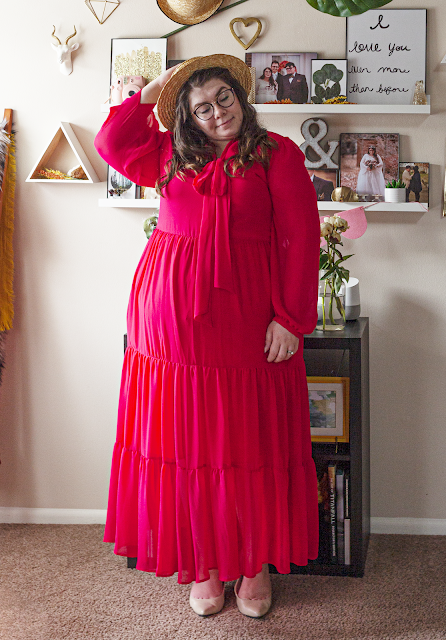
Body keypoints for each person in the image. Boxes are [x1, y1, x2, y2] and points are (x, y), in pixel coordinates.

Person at [94, 54, 320, 619]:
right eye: (201, 106)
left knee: (248, 446)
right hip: (170, 327)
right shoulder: (166, 155)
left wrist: (290, 319)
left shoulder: (277, 155)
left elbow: (301, 237)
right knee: (188, 447)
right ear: (187, 118)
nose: (218, 112)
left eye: (225, 98)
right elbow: (111, 142)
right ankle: (207, 566)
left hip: (246, 324)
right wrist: (149, 91)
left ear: (241, 99)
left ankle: (253, 565)